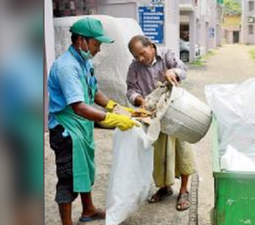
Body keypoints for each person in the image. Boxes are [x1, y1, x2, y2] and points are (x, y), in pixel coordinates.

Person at [48, 18, 138, 225]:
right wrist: (111, 119)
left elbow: (94, 92)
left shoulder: (84, 62)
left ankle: (88, 210)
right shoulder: (67, 67)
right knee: (68, 179)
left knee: (85, 169)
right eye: (96, 44)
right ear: (81, 41)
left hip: (82, 126)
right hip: (67, 130)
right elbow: (78, 106)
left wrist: (115, 107)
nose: (99, 50)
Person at [126, 35, 196, 211]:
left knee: (182, 150)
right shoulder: (134, 67)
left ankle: (184, 190)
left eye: (143, 53)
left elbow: (183, 69)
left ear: (150, 46)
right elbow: (130, 89)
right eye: (136, 56)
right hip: (154, 115)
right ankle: (164, 187)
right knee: (159, 154)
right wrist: (139, 100)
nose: (141, 59)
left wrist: (174, 72)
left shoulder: (167, 55)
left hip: (176, 109)